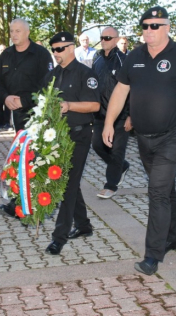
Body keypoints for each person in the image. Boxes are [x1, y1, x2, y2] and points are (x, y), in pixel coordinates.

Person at [102, 6, 176, 275]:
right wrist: (109, 122)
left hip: (174, 135)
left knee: (157, 191)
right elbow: (121, 90)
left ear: (167, 27)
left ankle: (153, 255)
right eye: (145, 25)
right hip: (143, 137)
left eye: (155, 25)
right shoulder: (135, 57)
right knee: (164, 190)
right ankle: (172, 236)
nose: (148, 30)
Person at [44, 31, 100, 255]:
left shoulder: (86, 73)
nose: (56, 53)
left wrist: (69, 105)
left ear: (71, 48)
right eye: (53, 49)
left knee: (65, 183)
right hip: (57, 136)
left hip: (79, 135)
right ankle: (84, 225)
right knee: (70, 181)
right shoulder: (51, 76)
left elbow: (94, 106)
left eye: (60, 49)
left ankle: (59, 236)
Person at [0, 19, 53, 133]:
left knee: (36, 148)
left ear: (27, 32)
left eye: (18, 31)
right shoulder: (6, 55)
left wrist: (25, 101)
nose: (14, 34)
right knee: (21, 146)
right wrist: (5, 97)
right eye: (11, 31)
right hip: (16, 112)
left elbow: (48, 84)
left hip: (38, 111)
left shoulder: (41, 54)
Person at [91, 27, 130, 199]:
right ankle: (121, 166)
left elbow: (132, 89)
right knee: (97, 145)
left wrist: (131, 115)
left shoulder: (124, 60)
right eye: (102, 37)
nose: (104, 40)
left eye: (108, 37)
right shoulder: (97, 59)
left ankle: (111, 185)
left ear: (116, 39)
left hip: (121, 116)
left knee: (116, 151)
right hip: (100, 114)